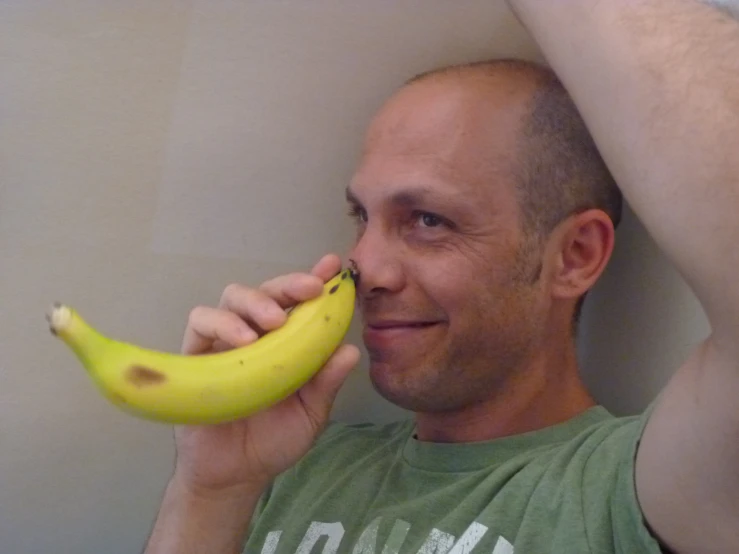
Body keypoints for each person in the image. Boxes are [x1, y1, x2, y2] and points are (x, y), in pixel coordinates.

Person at [143, 1, 739, 553]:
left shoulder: (626, 488)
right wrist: (209, 492)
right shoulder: (294, 466)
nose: (364, 270)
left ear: (575, 256)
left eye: (428, 220)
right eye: (361, 217)